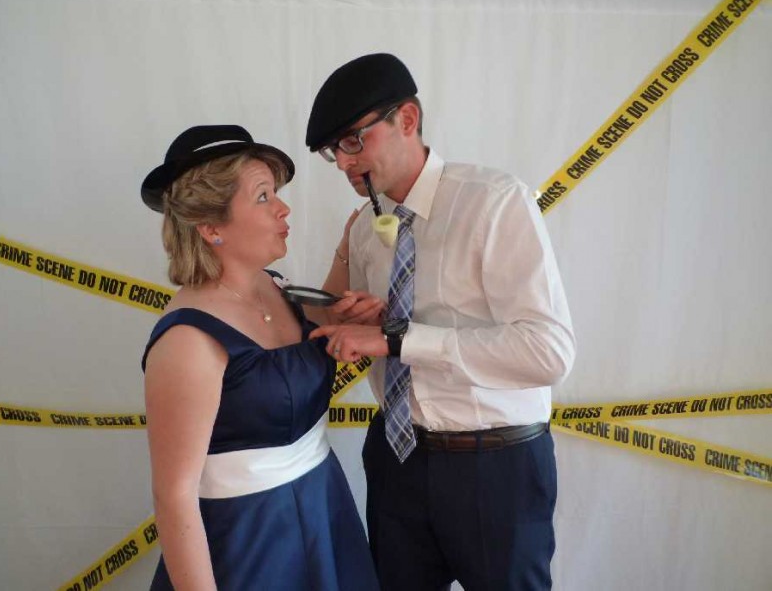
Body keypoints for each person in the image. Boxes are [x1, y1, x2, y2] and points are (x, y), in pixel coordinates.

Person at [305, 53, 577, 591]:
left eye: (353, 141)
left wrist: (399, 340)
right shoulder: (365, 227)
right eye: (333, 150)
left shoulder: (494, 202)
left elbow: (548, 352)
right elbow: (344, 323)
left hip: (495, 463)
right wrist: (360, 317)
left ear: (407, 119)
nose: (342, 162)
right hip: (395, 459)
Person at [139, 124, 379, 591]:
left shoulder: (273, 285)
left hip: (325, 510)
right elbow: (174, 497)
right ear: (211, 228)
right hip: (251, 543)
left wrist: (348, 250)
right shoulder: (187, 341)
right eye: (263, 196)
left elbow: (320, 323)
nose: (283, 208)